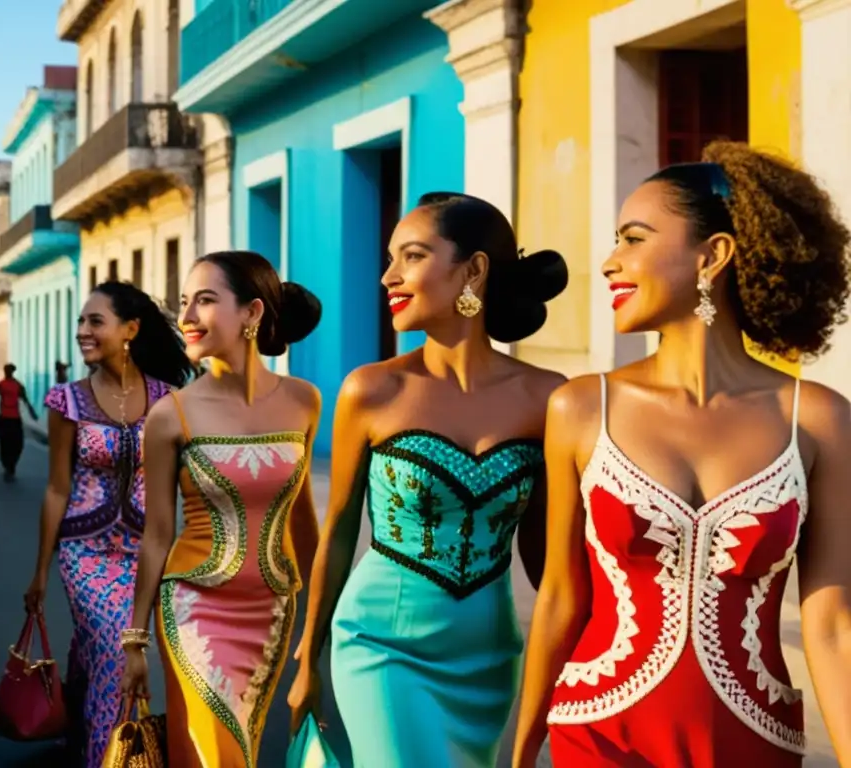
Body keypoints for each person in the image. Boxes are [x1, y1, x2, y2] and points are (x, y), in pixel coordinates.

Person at [511, 143, 851, 768]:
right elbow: (562, 595)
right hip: (599, 733)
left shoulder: (819, 420)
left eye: (634, 239)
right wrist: (524, 745)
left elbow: (831, 625)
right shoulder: (583, 409)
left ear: (712, 256)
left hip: (755, 743)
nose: (611, 263)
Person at [287, 193, 568, 767]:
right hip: (380, 645)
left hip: (488, 657)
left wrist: (584, 647)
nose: (389, 275)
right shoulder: (372, 390)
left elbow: (546, 557)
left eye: (411, 256)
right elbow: (338, 532)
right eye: (391, 258)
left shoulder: (548, 398)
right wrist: (307, 658)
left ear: (474, 271)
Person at [117, 250, 323, 768]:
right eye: (184, 303)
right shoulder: (171, 415)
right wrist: (135, 641)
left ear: (252, 313)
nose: (186, 317)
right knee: (214, 752)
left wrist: (325, 624)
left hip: (273, 611)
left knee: (244, 748)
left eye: (204, 301)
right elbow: (158, 535)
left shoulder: (304, 401)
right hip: (192, 607)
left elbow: (304, 523)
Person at [24, 281, 195, 768]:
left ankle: (77, 723)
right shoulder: (66, 402)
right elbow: (58, 487)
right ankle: (108, 758)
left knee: (93, 648)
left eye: (94, 321)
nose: (83, 331)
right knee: (117, 645)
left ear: (130, 330)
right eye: (81, 321)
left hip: (145, 547)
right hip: (84, 550)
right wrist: (40, 570)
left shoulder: (168, 399)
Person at [0, 363, 38, 481]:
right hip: (5, 418)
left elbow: (25, 400)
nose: (8, 373)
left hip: (14, 418)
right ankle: (8, 466)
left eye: (9, 371)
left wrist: (32, 413)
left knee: (16, 444)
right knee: (5, 443)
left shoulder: (17, 385)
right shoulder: (0, 385)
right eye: (7, 371)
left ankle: (10, 465)